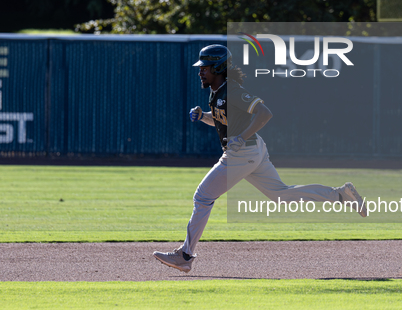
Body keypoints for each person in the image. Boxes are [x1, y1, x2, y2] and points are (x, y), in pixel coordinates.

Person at [153, 44, 367, 273]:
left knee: (202, 197)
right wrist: (203, 116)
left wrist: (242, 137)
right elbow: (222, 121)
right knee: (281, 195)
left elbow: (265, 112)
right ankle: (340, 195)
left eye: (204, 67)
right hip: (252, 152)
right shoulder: (216, 92)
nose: (200, 72)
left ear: (217, 67)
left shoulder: (232, 90)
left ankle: (185, 255)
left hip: (242, 153)